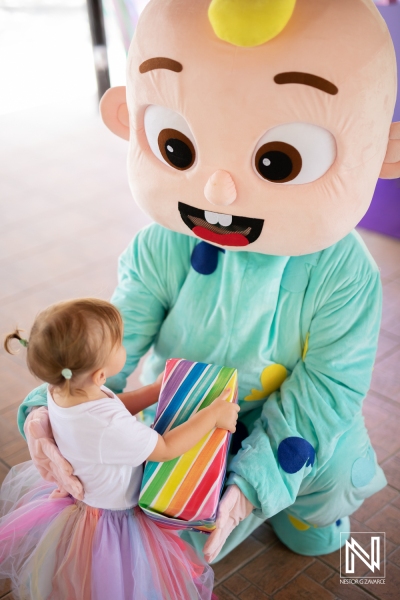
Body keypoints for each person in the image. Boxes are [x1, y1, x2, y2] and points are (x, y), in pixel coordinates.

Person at [17, 0, 400, 566]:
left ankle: (304, 502)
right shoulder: (163, 242)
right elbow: (115, 342)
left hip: (281, 418)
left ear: (382, 153)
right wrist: (54, 408)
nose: (219, 193)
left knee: (319, 496)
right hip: (182, 407)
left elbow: (328, 389)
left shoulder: (343, 273)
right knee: (162, 528)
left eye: (279, 161)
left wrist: (253, 484)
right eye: (178, 148)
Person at [0, 298, 239, 600]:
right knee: (124, 586)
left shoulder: (63, 389)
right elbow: (165, 448)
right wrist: (212, 416)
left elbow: (113, 405)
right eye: (119, 343)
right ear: (100, 375)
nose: (123, 345)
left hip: (88, 508)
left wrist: (154, 391)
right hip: (116, 524)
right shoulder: (108, 428)